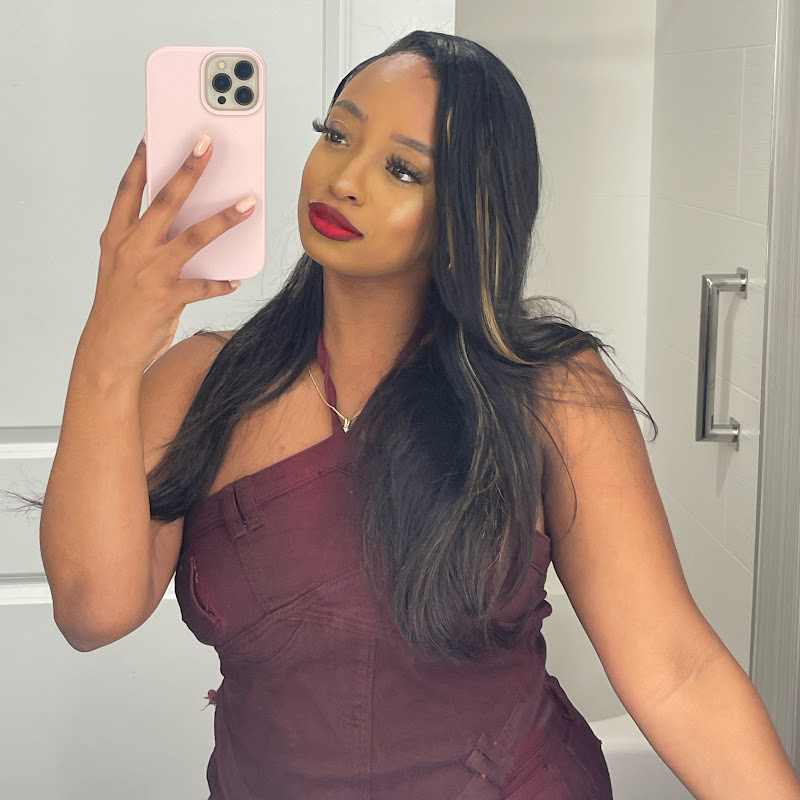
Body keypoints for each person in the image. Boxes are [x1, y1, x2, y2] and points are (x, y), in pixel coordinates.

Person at [17, 28, 799, 800]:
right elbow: (92, 612)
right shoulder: (202, 381)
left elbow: (676, 671)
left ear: (468, 211)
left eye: (401, 169)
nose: (344, 178)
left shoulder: (550, 391)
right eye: (336, 134)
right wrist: (109, 350)